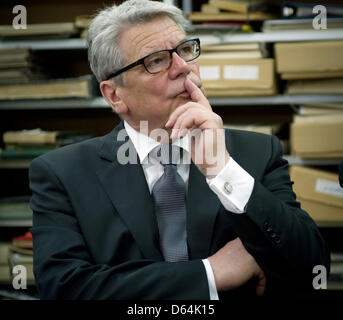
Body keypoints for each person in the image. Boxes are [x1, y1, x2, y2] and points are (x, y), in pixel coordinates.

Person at [29, 0, 330, 300]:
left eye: (185, 50)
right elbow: (63, 288)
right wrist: (210, 273)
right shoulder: (63, 174)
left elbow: (312, 268)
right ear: (115, 95)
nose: (183, 68)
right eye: (157, 61)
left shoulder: (257, 152)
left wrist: (222, 169)